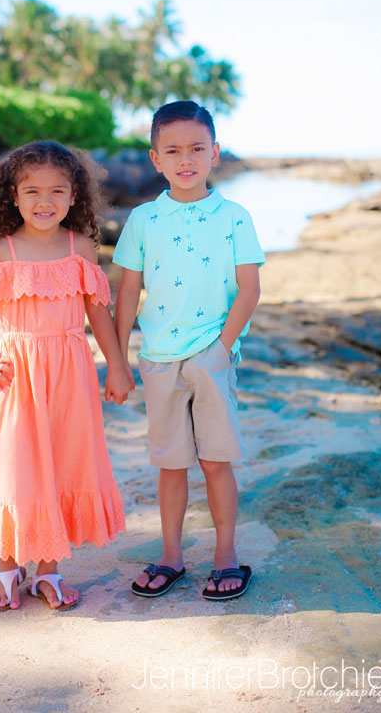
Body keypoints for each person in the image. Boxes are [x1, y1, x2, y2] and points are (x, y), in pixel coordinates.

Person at [0, 141, 133, 612]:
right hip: (20, 378)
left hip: (72, 376)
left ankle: (49, 572)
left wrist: (117, 365)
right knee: (19, 469)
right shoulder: (0, 249)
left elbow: (98, 312)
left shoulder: (81, 246)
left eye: (57, 191)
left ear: (75, 197)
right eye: (32, 191)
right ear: (12, 195)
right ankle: (8, 569)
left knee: (65, 465)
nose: (45, 202)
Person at [113, 101, 265, 601]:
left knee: (217, 461)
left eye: (197, 148)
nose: (186, 159)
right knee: (171, 463)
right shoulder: (142, 219)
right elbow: (128, 292)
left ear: (214, 153)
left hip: (212, 356)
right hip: (158, 358)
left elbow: (249, 289)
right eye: (173, 150)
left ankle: (226, 557)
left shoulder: (234, 216)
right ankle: (171, 556)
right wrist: (119, 357)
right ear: (155, 158)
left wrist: (222, 347)